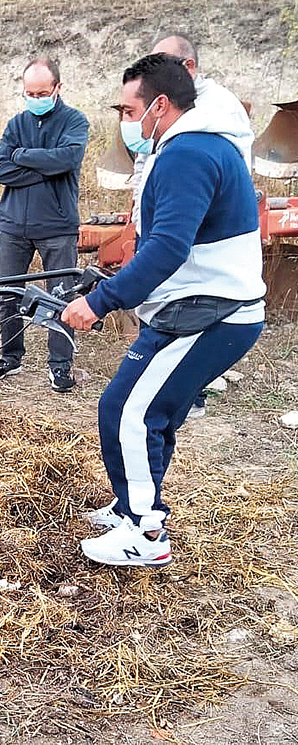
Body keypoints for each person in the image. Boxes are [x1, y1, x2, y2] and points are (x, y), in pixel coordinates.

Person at [63, 54, 265, 567]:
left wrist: (101, 300)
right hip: (202, 304)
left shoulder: (187, 154)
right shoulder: (201, 143)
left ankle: (145, 533)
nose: (125, 123)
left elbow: (169, 247)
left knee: (130, 411)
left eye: (128, 110)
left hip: (211, 311)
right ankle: (132, 505)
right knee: (153, 411)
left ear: (159, 104)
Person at [137, 33, 254, 420]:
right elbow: (149, 163)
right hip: (167, 245)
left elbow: (200, 182)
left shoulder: (212, 113)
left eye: (162, 65)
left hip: (197, 256)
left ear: (187, 68)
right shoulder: (163, 117)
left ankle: (188, 395)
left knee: (132, 410)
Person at [0, 58, 89, 392]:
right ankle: (11, 355)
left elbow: (68, 159)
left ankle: (60, 365)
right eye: (30, 93)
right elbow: (1, 170)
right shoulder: (16, 123)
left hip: (57, 226)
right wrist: (44, 164)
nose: (36, 97)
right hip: (14, 225)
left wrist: (22, 156)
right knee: (7, 292)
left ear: (58, 88)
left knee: (60, 297)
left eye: (42, 92)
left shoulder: (74, 121)